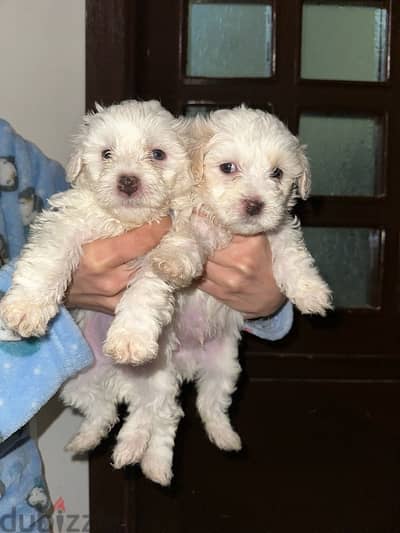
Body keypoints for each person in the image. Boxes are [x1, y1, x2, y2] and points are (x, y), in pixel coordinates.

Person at [0, 118, 292, 531]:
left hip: (20, 507)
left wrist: (266, 296)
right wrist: (55, 289)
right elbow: (61, 252)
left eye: (156, 156)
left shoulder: (8, 149)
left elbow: (81, 202)